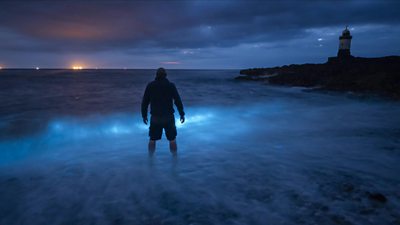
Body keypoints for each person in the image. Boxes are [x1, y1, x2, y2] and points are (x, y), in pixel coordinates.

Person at [141, 68, 185, 154]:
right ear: (165, 75)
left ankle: (150, 159)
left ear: (156, 75)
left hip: (155, 117)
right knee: (172, 139)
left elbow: (145, 102)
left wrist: (144, 115)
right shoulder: (171, 85)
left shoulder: (150, 85)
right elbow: (177, 101)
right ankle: (175, 159)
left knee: (152, 139)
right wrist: (181, 114)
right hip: (168, 117)